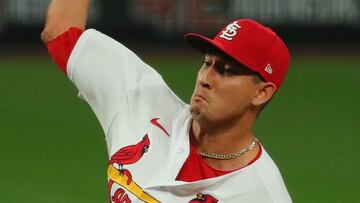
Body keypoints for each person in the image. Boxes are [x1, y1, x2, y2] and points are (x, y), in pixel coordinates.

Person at [41, 1, 292, 202]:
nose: (205, 78)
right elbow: (61, 32)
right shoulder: (140, 98)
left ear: (262, 93)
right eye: (206, 62)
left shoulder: (263, 193)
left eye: (226, 71)